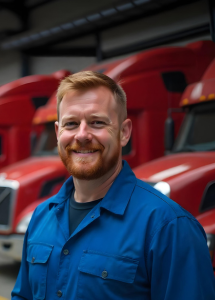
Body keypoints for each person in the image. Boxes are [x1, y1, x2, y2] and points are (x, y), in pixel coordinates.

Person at [11, 71, 215, 300]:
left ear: (124, 133)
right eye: (71, 124)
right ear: (58, 133)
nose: (82, 135)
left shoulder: (170, 227)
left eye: (97, 122)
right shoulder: (41, 216)